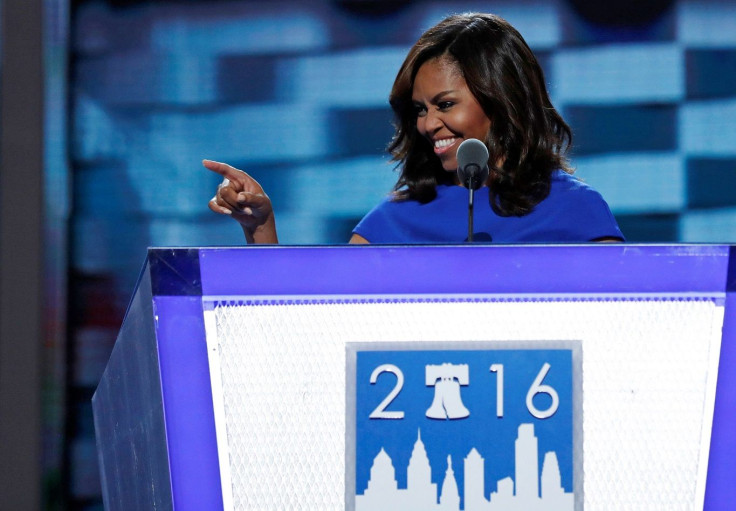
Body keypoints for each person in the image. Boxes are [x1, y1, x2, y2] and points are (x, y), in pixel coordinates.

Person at [205, 13, 624, 244]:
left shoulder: (577, 213)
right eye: (420, 109)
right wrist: (260, 227)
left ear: (504, 100)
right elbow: (312, 328)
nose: (427, 124)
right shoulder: (395, 222)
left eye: (445, 105)